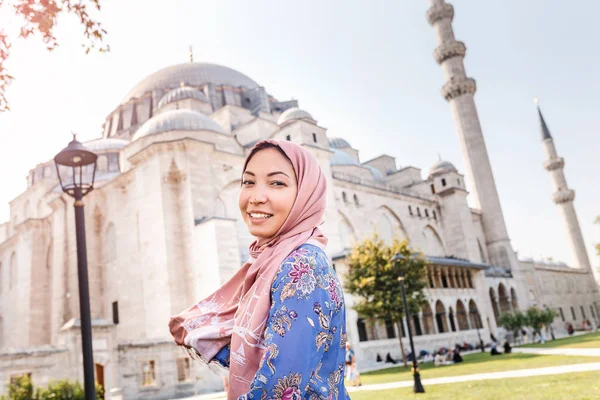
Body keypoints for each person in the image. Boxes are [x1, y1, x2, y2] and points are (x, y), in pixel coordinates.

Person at [169, 140, 349, 400]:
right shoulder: (273, 261)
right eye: (248, 182)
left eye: (277, 183)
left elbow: (279, 389)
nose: (256, 197)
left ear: (306, 194)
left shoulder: (301, 266)